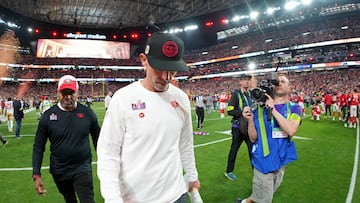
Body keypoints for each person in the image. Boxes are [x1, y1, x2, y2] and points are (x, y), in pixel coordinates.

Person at [97, 32, 201, 203]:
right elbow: (108, 153)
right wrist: (112, 198)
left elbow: (185, 144)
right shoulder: (123, 99)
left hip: (176, 195)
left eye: (172, 70)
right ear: (143, 60)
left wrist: (191, 175)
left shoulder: (181, 98)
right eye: (160, 68)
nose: (166, 77)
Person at [32, 75, 101, 203]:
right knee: (70, 200)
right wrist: (36, 175)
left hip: (82, 166)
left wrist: (106, 164)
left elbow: (99, 141)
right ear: (58, 93)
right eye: (64, 93)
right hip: (59, 170)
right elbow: (38, 146)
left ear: (77, 93)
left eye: (71, 93)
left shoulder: (88, 113)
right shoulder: (47, 117)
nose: (68, 97)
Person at [236, 74, 302, 203]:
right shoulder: (260, 110)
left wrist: (273, 110)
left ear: (290, 87)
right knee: (264, 199)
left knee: (260, 196)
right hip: (263, 163)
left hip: (281, 162)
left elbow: (291, 129)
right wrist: (250, 121)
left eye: (283, 81)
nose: (280, 83)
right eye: (277, 82)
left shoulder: (295, 108)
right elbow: (253, 138)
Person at [224, 74, 253, 181]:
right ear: (240, 82)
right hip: (238, 127)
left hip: (249, 126)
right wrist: (242, 113)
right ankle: (229, 171)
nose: (247, 82)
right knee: (234, 149)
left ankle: (255, 168)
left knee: (252, 149)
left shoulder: (251, 94)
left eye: (248, 80)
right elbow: (229, 110)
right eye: (245, 80)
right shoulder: (236, 94)